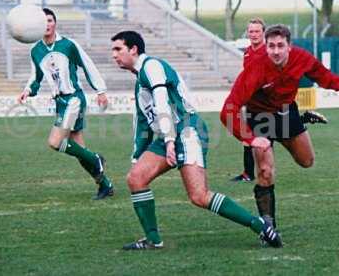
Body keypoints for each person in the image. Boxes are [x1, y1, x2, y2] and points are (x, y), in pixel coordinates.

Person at [111, 30, 282, 250]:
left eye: (118, 49)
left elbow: (163, 102)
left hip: (187, 130)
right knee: (136, 178)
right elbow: (143, 124)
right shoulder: (140, 81)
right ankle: (153, 241)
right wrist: (137, 158)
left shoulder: (151, 66)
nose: (114, 55)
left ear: (133, 49)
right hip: (169, 136)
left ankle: (260, 225)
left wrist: (171, 141)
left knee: (199, 196)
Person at [220, 24, 339, 231]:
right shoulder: (255, 68)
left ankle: (303, 120)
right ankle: (267, 226)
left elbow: (320, 73)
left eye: (280, 46)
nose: (276, 51)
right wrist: (250, 139)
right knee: (264, 170)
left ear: (289, 47)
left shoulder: (302, 57)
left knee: (307, 161)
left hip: (287, 112)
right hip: (260, 118)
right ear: (266, 47)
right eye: (271, 46)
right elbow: (228, 110)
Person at [18, 8, 114, 200]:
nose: (47, 24)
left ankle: (96, 158)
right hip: (60, 103)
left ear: (55, 23)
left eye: (50, 20)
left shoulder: (68, 45)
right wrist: (28, 90)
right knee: (80, 151)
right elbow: (36, 77)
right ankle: (105, 185)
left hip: (74, 99)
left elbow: (87, 65)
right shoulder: (35, 50)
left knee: (55, 142)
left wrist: (100, 90)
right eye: (43, 21)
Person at [231, 18, 328, 183]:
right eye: (251, 31)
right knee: (251, 142)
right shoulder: (248, 52)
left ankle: (251, 173)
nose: (253, 34)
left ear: (263, 34)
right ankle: (250, 173)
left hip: (273, 106)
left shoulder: (269, 52)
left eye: (257, 31)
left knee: (265, 142)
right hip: (257, 104)